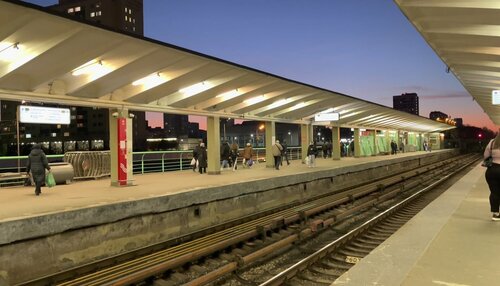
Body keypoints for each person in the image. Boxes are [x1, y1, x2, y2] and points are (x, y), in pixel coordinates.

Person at [484, 133, 500, 221]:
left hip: (492, 170)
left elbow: (486, 155)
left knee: (494, 192)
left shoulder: (492, 142)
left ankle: (495, 214)